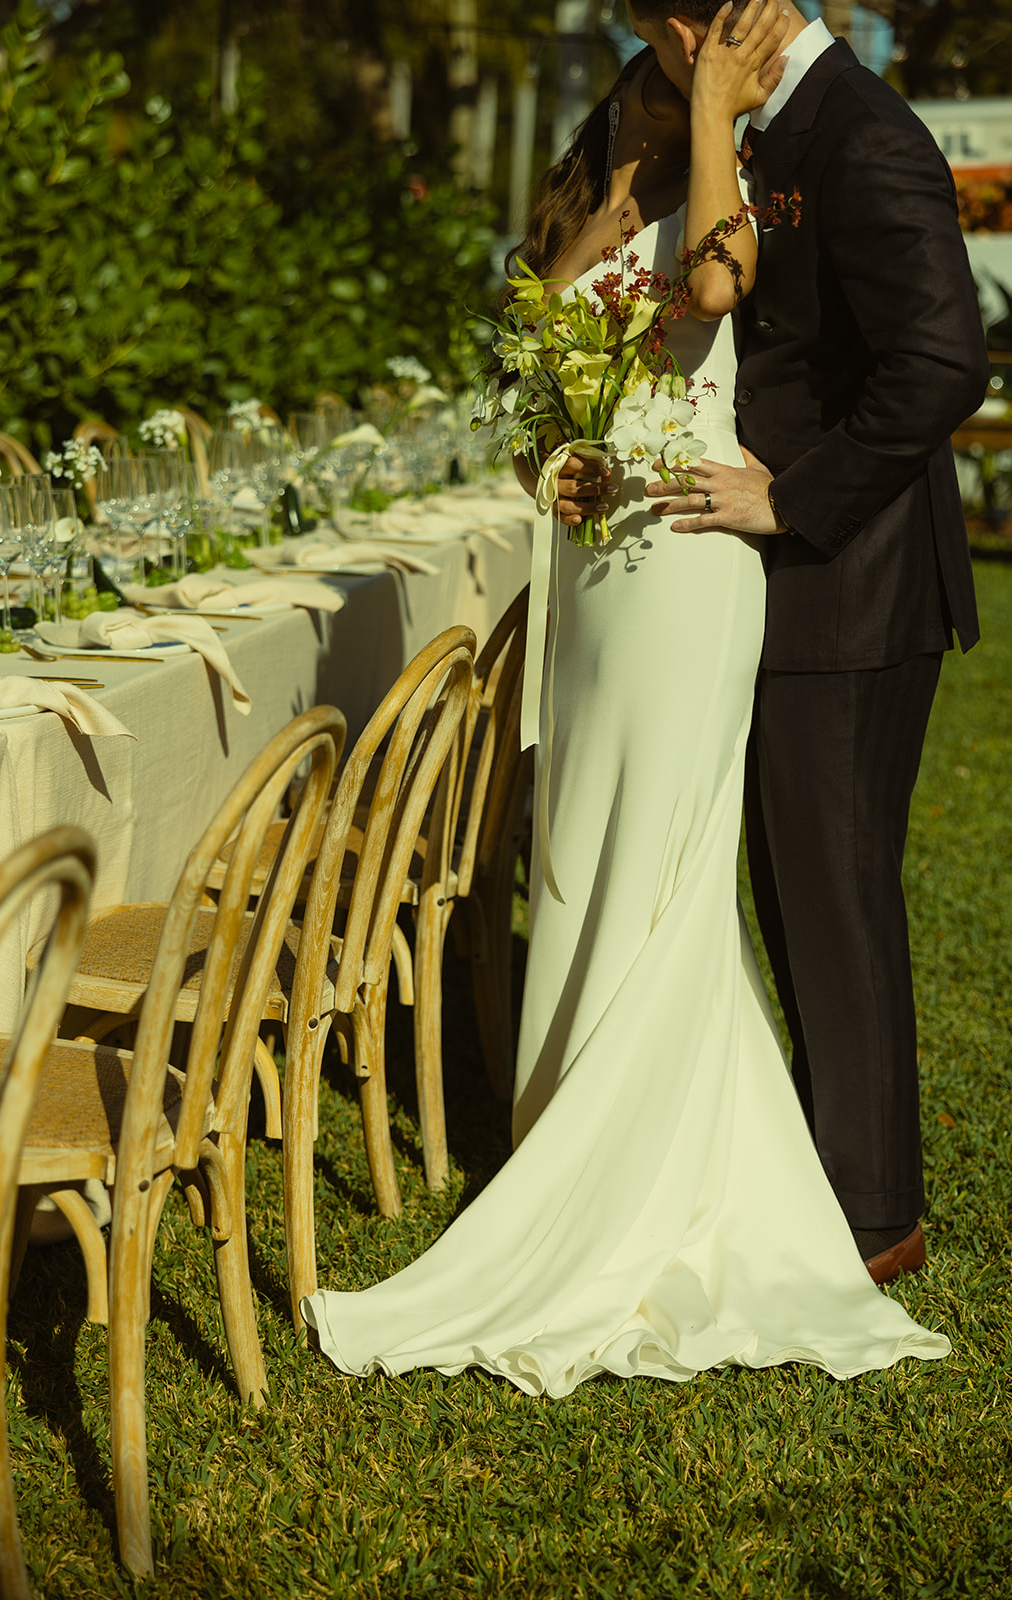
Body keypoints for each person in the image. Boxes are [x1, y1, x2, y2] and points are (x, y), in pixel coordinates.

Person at [300, 6, 950, 1394]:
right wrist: (553, 463)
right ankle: (573, 1120)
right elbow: (531, 365)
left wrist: (711, 113)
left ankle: (757, 1180)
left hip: (699, 557)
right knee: (586, 844)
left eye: (694, 56)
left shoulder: (760, 163)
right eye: (656, 76)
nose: (679, 78)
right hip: (600, 562)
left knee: (688, 865)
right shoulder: (613, 183)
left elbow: (729, 301)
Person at [626, 0, 989, 1284]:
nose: (665, 74)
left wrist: (791, 497)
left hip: (856, 580)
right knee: (795, 882)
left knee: (832, 889)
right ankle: (837, 1158)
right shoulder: (787, 126)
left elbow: (945, 358)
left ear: (692, 25)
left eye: (659, 46)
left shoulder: (861, 135)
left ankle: (871, 1211)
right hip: (805, 587)